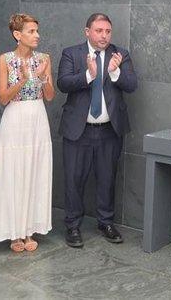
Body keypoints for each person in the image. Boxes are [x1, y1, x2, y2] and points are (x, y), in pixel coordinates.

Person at [56, 13, 137, 248]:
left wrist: (114, 72)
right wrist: (89, 74)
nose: (104, 36)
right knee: (73, 179)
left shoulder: (120, 55)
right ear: (87, 32)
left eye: (108, 31)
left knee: (107, 178)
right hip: (78, 130)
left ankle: (106, 222)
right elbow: (63, 83)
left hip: (109, 131)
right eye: (99, 30)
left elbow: (132, 85)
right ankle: (72, 226)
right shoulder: (72, 53)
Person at [0, 14, 55, 252]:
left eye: (37, 31)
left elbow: (51, 96)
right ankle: (14, 232)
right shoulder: (6, 59)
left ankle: (30, 230)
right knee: (14, 170)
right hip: (14, 119)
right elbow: (2, 97)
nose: (37, 35)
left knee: (35, 168)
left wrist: (44, 78)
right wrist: (23, 79)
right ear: (17, 35)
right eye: (31, 31)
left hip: (38, 118)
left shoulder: (44, 59)